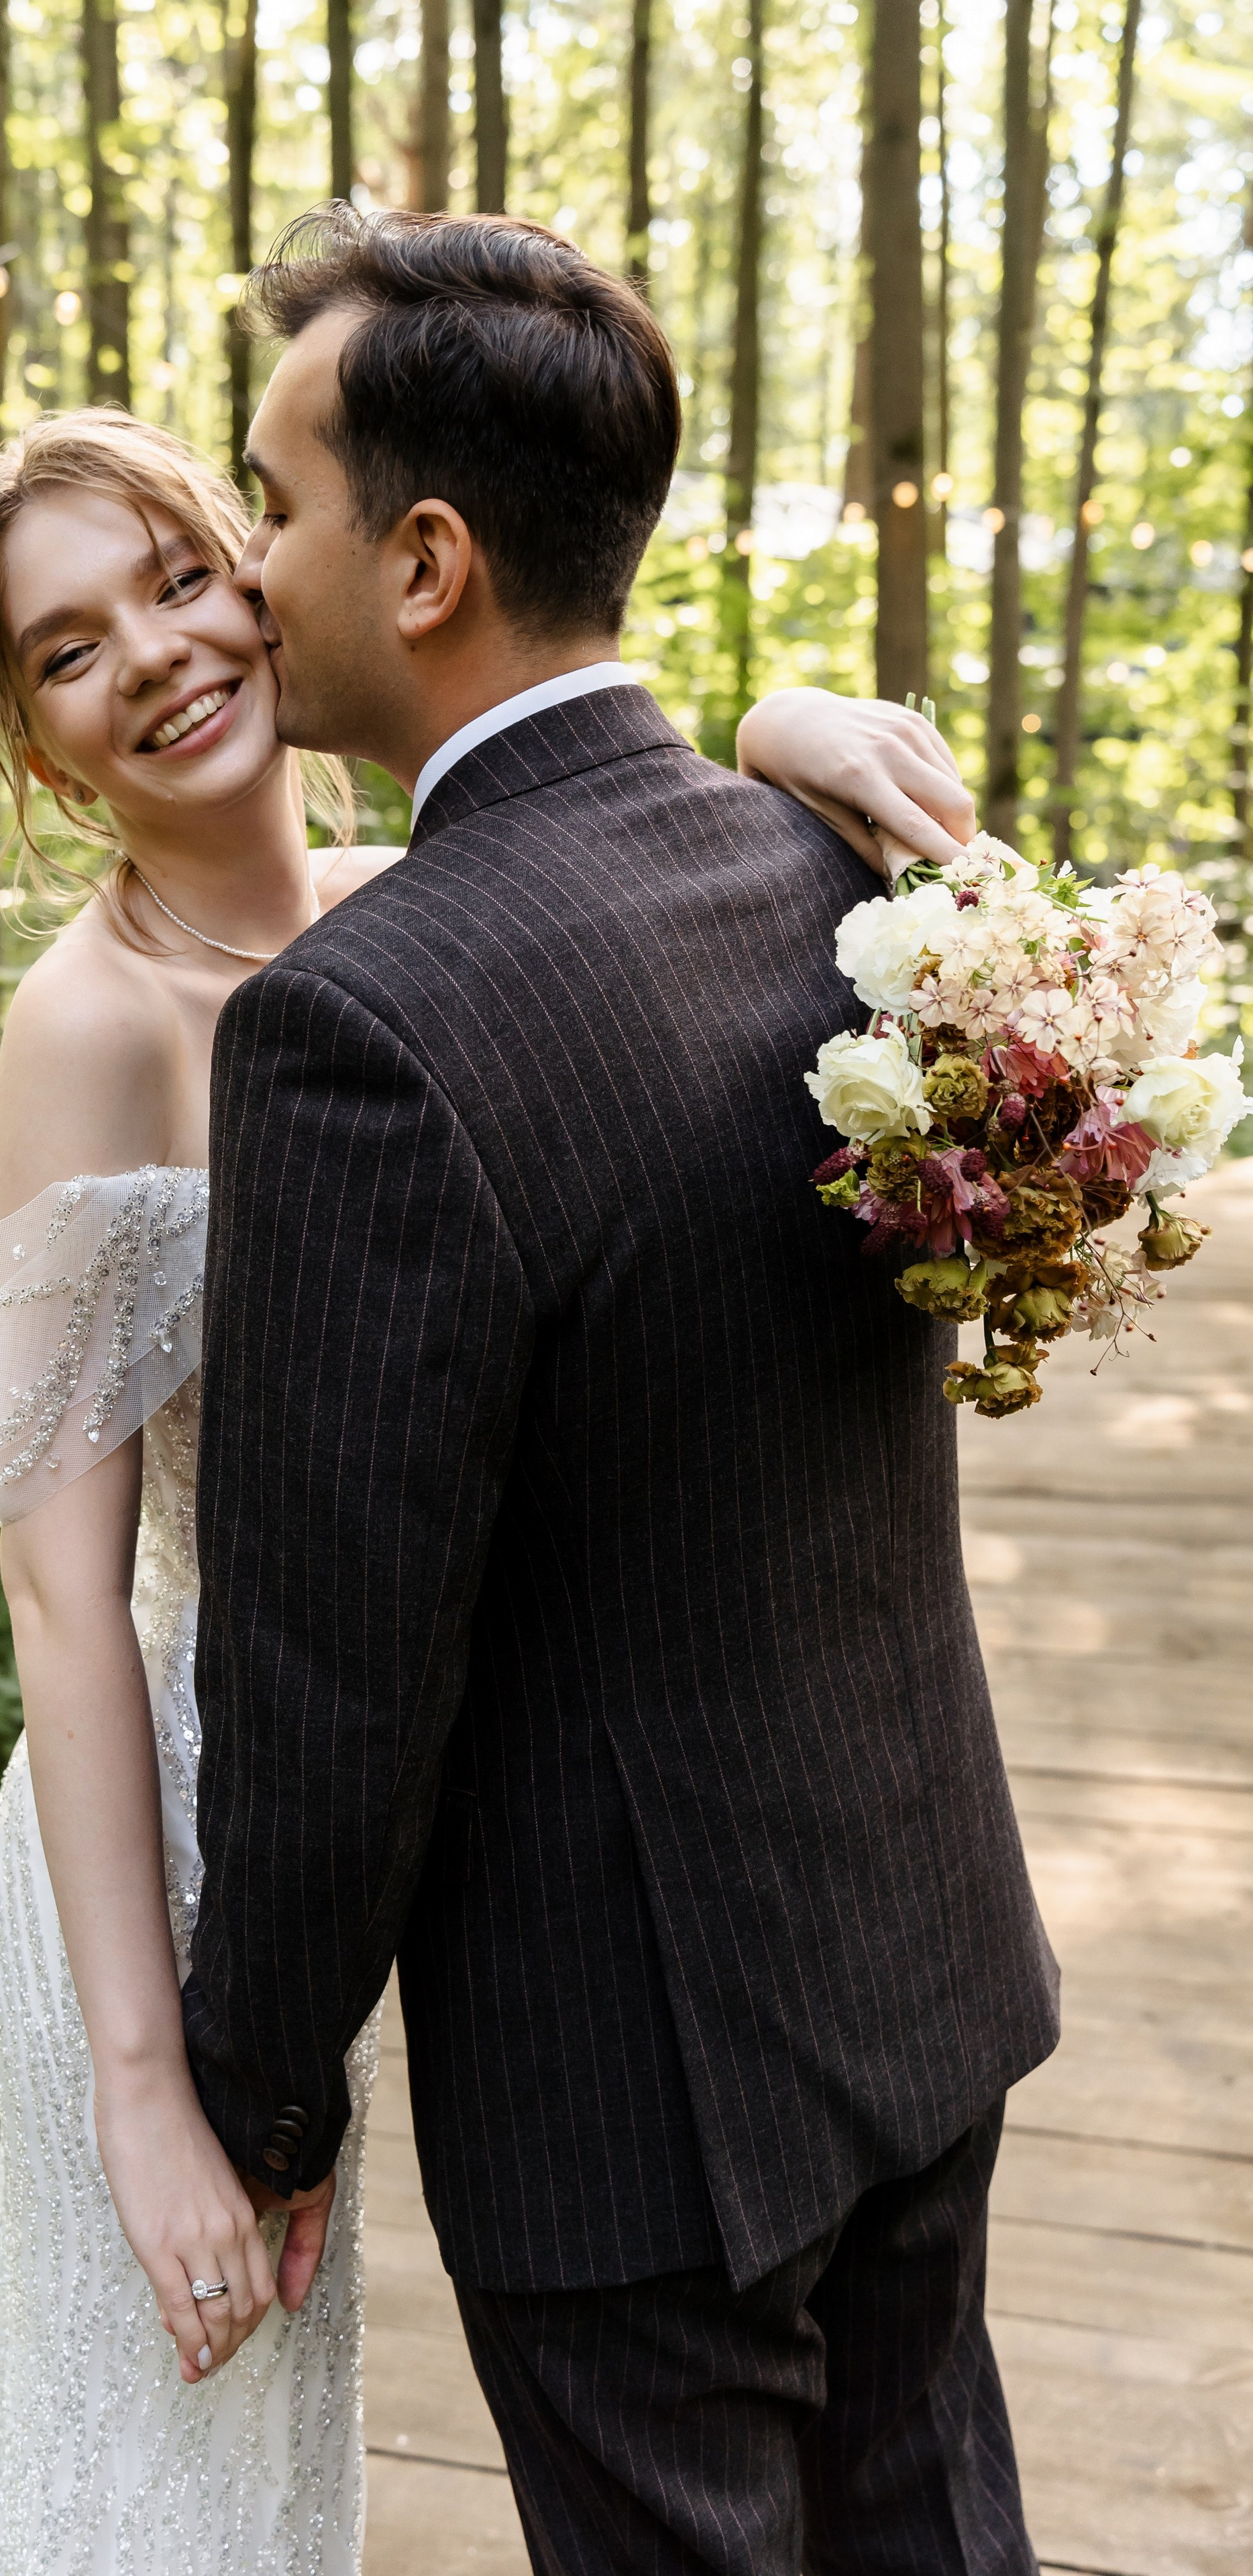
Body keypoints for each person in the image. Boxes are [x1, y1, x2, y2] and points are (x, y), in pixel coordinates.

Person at [0, 396, 986, 2568]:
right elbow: (65, 1603)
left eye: (187, 572)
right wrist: (146, 2089)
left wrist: (782, 720)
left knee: (287, 2472)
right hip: (170, 1856)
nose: (159, 654)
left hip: (378, 1821)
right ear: (37, 739)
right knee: (145, 2477)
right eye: (69, 650)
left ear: (279, 587)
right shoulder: (90, 1031)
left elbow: (588, 828)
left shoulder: (401, 909)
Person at [178, 208, 1061, 2576]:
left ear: (431, 557)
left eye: (275, 501)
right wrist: (778, 707)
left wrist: (253, 2093)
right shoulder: (826, 865)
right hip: (916, 1941)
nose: (251, 571)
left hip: (629, 2081)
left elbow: (322, 1663)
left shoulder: (359, 1031)